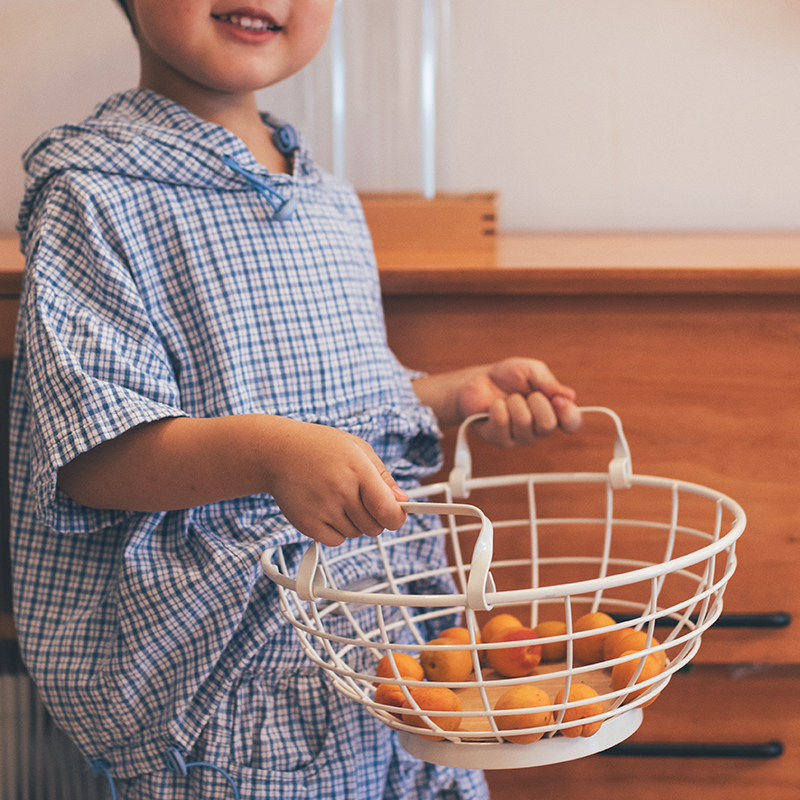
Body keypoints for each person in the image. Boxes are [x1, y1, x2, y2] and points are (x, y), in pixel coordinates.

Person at [9, 1, 582, 798]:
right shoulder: (92, 196)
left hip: (389, 654)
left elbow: (326, 407)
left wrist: (450, 395)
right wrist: (274, 454)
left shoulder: (326, 201)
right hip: (242, 703)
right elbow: (94, 459)